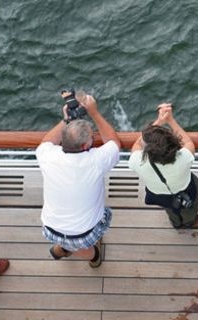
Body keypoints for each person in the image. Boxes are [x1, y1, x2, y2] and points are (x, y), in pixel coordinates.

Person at [36, 92, 121, 268]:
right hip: (83, 233)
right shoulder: (95, 160)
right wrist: (95, 113)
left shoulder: (47, 155)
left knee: (69, 238)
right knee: (86, 247)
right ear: (85, 146)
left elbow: (46, 141)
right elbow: (113, 142)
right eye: (92, 137)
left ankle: (62, 249)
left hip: (50, 229)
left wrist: (66, 120)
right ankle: (93, 258)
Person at [129, 103, 198, 229]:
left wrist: (159, 121)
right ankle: (189, 222)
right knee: (189, 209)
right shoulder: (183, 158)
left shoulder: (138, 161)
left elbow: (137, 143)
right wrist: (170, 120)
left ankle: (176, 222)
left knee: (170, 208)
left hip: (160, 195)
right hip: (187, 191)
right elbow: (188, 142)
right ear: (173, 143)